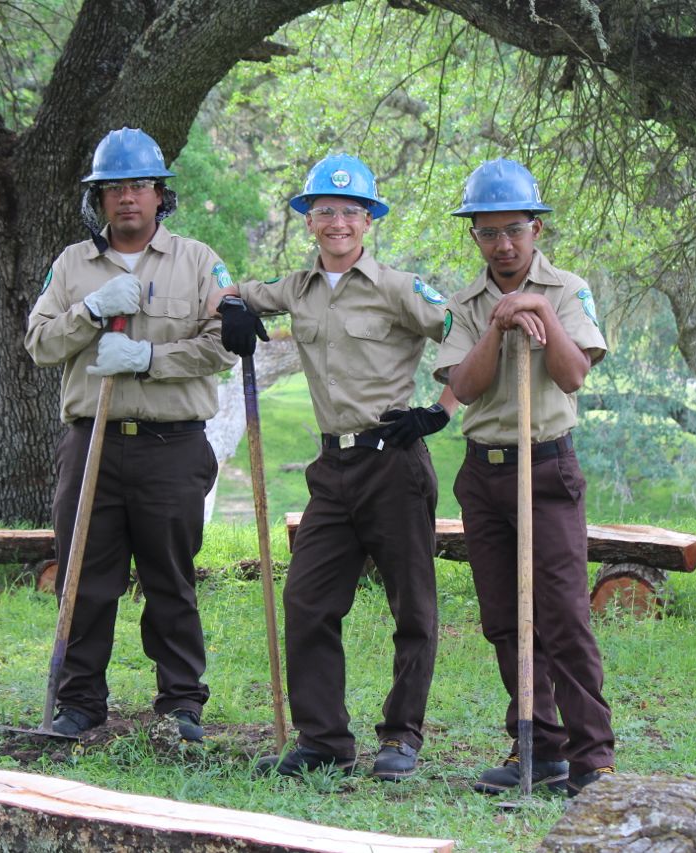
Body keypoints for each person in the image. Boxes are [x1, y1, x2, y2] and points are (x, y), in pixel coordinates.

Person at [216, 153, 456, 781]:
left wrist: (440, 410)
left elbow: (466, 332)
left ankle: (401, 737)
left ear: (369, 220)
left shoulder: (400, 287)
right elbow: (232, 291)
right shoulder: (297, 288)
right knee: (307, 600)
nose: (338, 222)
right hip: (332, 469)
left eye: (351, 211)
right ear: (309, 221)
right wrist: (233, 307)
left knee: (412, 607)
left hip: (394, 462)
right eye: (325, 211)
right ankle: (324, 740)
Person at [24, 127, 235, 742]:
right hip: (91, 441)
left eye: (139, 185)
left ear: (160, 194)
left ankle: (181, 704)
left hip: (172, 446)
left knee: (170, 577)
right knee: (84, 578)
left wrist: (148, 359)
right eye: (113, 187)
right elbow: (39, 344)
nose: (127, 197)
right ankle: (79, 702)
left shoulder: (198, 261)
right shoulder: (72, 265)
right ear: (98, 198)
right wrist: (90, 311)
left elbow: (224, 344)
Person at [433, 158, 615, 796]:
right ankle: (537, 744)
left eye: (514, 229)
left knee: (563, 614)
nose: (503, 244)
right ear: (474, 236)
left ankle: (593, 759)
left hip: (546, 466)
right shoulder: (463, 305)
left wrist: (539, 308)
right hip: (485, 470)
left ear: (536, 228)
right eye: (488, 232)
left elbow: (573, 375)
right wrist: (501, 323)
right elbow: (463, 387)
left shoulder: (568, 289)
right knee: (506, 618)